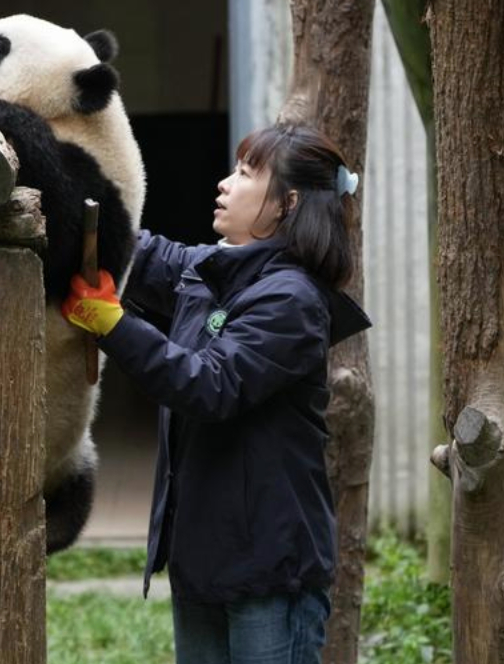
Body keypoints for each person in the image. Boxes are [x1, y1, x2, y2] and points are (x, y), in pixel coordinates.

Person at [62, 122, 372, 664]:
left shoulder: (291, 300)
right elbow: (145, 255)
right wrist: (72, 201)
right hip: (204, 562)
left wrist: (112, 325)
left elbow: (210, 385)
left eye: (246, 174)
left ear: (286, 203)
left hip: (270, 576)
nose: (225, 184)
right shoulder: (215, 271)